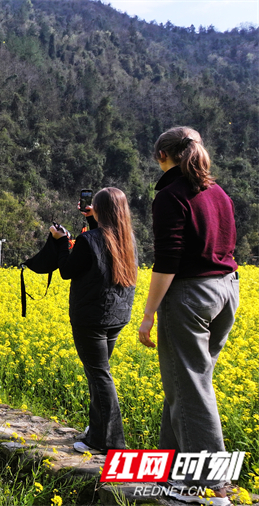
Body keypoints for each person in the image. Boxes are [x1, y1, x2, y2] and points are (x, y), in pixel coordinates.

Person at [137, 126, 238, 504]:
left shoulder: (170, 196)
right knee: (184, 381)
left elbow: (167, 261)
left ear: (162, 156)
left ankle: (211, 487)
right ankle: (174, 472)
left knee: (190, 388)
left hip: (191, 295)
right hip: (226, 291)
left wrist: (149, 313)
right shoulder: (218, 192)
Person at [51, 187, 137, 455]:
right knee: (98, 373)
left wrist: (61, 242)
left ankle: (107, 442)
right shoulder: (127, 239)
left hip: (91, 318)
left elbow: (67, 270)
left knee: (99, 376)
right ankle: (98, 430)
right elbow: (102, 244)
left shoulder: (88, 241)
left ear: (100, 209)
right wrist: (91, 219)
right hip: (117, 316)